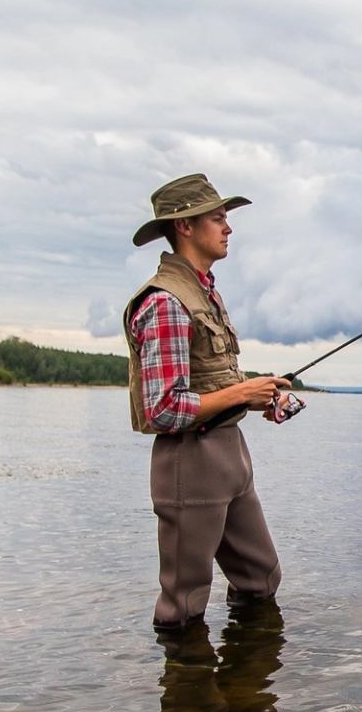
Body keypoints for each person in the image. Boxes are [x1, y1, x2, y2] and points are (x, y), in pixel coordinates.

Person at [124, 173, 295, 629]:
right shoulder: (165, 302)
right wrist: (242, 392)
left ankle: (248, 694)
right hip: (190, 461)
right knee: (183, 604)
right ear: (184, 226)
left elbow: (209, 380)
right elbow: (163, 408)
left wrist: (258, 396)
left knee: (261, 580)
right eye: (218, 218)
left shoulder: (205, 291)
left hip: (229, 453)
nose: (228, 227)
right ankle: (186, 698)